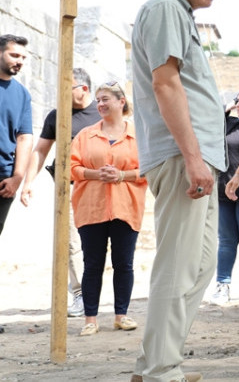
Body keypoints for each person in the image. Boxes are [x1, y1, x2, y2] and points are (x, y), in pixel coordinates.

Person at [129, 0, 228, 382]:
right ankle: (160, 370)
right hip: (181, 156)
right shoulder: (165, 8)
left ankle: (157, 362)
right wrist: (193, 158)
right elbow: (166, 84)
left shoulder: (180, 15)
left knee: (201, 265)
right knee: (178, 264)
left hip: (197, 157)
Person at [20, 67, 101, 317]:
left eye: (67, 89)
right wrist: (27, 183)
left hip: (101, 189)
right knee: (70, 242)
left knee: (99, 244)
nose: (60, 95)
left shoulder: (102, 112)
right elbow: (40, 150)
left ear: (83, 89)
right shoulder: (57, 116)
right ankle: (79, 294)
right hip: (68, 188)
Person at [70, 81, 147, 337]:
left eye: (106, 99)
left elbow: (148, 170)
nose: (100, 104)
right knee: (92, 264)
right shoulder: (85, 135)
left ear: (121, 101)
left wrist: (122, 176)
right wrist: (95, 174)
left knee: (124, 264)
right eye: (99, 100)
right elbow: (71, 168)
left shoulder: (139, 136)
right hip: (91, 207)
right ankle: (90, 319)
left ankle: (121, 316)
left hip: (126, 207)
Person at [210, 87, 239, 307]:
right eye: (237, 101)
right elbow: (208, 122)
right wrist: (226, 108)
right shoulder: (227, 124)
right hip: (223, 191)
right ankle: (222, 286)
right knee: (226, 241)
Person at [0, 34, 32, 236]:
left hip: (3, 179)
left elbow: (24, 137)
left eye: (23, 58)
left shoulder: (22, 94)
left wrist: (17, 177)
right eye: (14, 55)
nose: (19, 61)